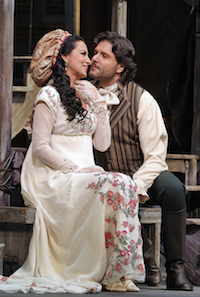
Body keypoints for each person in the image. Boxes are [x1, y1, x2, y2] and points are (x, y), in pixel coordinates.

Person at [0, 29, 145, 293]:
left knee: (125, 183)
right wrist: (74, 169)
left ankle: (119, 273)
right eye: (83, 53)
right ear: (64, 58)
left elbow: (102, 144)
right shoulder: (49, 96)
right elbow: (41, 147)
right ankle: (112, 271)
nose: (89, 59)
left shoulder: (87, 96)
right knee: (114, 182)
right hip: (51, 176)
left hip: (82, 174)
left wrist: (99, 104)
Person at [80, 30, 193, 291]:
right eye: (94, 52)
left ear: (120, 66)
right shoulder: (84, 94)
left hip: (140, 175)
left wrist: (136, 185)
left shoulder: (141, 100)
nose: (93, 58)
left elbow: (155, 156)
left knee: (175, 189)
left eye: (102, 55)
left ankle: (176, 269)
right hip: (103, 178)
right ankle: (142, 262)